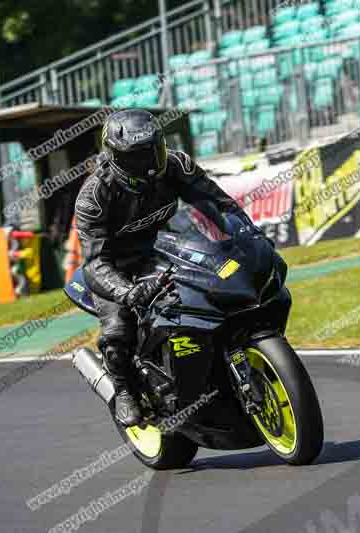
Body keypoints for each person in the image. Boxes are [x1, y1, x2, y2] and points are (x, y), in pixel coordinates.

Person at [75, 109, 263, 426]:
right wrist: (127, 291)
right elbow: (94, 262)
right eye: (137, 156)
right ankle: (123, 389)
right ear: (116, 157)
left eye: (153, 149)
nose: (148, 161)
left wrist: (245, 233)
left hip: (166, 247)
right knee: (118, 331)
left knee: (218, 287)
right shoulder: (94, 197)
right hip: (118, 269)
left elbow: (218, 203)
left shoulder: (175, 165)